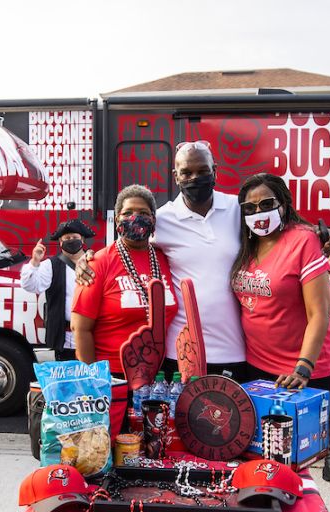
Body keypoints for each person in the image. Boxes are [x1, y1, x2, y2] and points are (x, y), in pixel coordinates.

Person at [77, 141, 249, 381]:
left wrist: (314, 235)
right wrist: (87, 258)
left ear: (215, 171)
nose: (195, 178)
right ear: (175, 176)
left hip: (236, 349)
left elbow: (273, 233)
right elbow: (128, 243)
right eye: (186, 172)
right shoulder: (164, 218)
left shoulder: (237, 208)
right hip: (178, 353)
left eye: (202, 171)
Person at [229, 173, 330, 491]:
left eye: (266, 204)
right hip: (259, 365)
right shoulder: (246, 244)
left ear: (284, 204)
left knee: (296, 457)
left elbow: (319, 313)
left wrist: (303, 367)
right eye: (250, 207)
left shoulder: (303, 239)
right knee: (262, 453)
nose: (258, 212)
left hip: (305, 366)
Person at [71, 185, 178, 432]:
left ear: (153, 219)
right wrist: (93, 383)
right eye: (128, 213)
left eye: (143, 212)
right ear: (117, 218)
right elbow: (80, 328)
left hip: (157, 380)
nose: (135, 218)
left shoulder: (163, 258)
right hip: (112, 380)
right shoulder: (99, 262)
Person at [20, 219, 94, 361]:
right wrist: (35, 262)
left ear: (82, 239)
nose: (71, 241)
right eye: (67, 239)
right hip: (64, 338)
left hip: (92, 335)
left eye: (74, 238)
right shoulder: (50, 265)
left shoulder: (95, 261)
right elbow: (30, 285)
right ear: (60, 242)